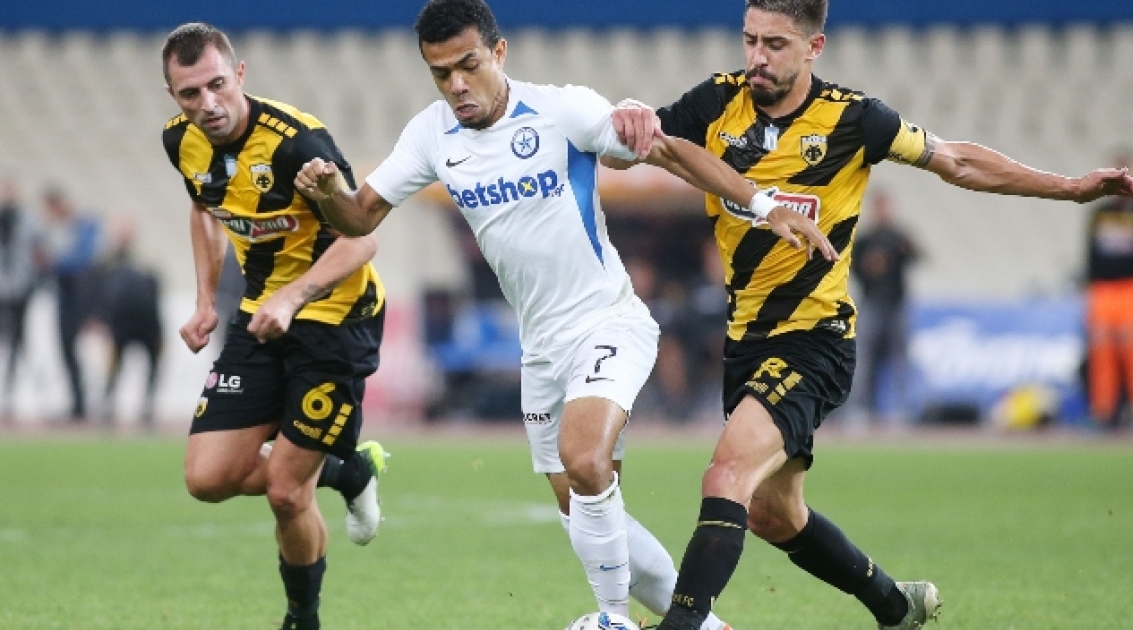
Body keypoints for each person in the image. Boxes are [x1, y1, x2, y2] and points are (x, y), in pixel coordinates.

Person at [608, 1, 1133, 628]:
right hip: (746, 340)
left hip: (815, 338)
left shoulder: (855, 118)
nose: (757, 57)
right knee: (773, 514)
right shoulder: (715, 103)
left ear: (814, 47)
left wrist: (1072, 188)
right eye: (750, 40)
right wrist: (628, 121)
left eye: (775, 44)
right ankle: (896, 606)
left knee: (726, 475)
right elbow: (631, 152)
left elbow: (956, 160)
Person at [292, 1, 831, 625]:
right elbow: (359, 216)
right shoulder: (430, 135)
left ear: (499, 53)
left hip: (608, 322)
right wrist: (327, 194)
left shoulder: (560, 110)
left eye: (468, 65)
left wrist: (764, 206)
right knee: (582, 505)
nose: (457, 84)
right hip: (541, 348)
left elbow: (669, 152)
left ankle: (610, 618)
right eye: (441, 73)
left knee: (585, 458)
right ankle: (704, 625)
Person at [160, 23, 391, 630]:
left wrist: (292, 296)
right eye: (190, 93)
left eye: (217, 84)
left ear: (239, 74)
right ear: (173, 96)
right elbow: (203, 208)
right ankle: (346, 468)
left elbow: (361, 241)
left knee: (288, 492)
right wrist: (205, 300)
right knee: (207, 479)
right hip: (261, 314)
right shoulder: (180, 140)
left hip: (335, 317)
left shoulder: (296, 144)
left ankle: (301, 619)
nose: (207, 104)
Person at [1084, 156, 1133, 431]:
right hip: (1103, 289)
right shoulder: (1100, 213)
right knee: (1101, 352)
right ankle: (1103, 412)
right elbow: (1091, 254)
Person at [849, 191, 920, 424]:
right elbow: (851, 267)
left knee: (900, 359)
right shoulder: (865, 240)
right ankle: (860, 410)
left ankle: (901, 410)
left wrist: (906, 249)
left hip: (897, 304)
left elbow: (917, 257)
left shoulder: (898, 237)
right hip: (871, 303)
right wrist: (868, 267)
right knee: (864, 359)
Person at [93, 218, 164, 427]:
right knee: (114, 367)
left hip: (146, 324)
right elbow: (101, 296)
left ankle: (147, 406)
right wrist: (102, 321)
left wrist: (160, 331)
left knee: (152, 366)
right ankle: (108, 405)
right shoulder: (106, 264)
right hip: (120, 325)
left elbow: (155, 298)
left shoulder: (144, 263)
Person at [42, 186, 102, 420]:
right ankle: (78, 402)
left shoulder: (84, 226)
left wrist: (53, 262)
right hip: (66, 297)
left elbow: (82, 261)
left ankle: (89, 402)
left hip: (84, 297)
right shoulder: (56, 231)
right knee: (67, 350)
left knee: (85, 350)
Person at [0, 178, 45, 421]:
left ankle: (18, 395)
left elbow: (40, 250)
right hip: (4, 290)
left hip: (19, 292)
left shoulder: (27, 220)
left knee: (19, 344)